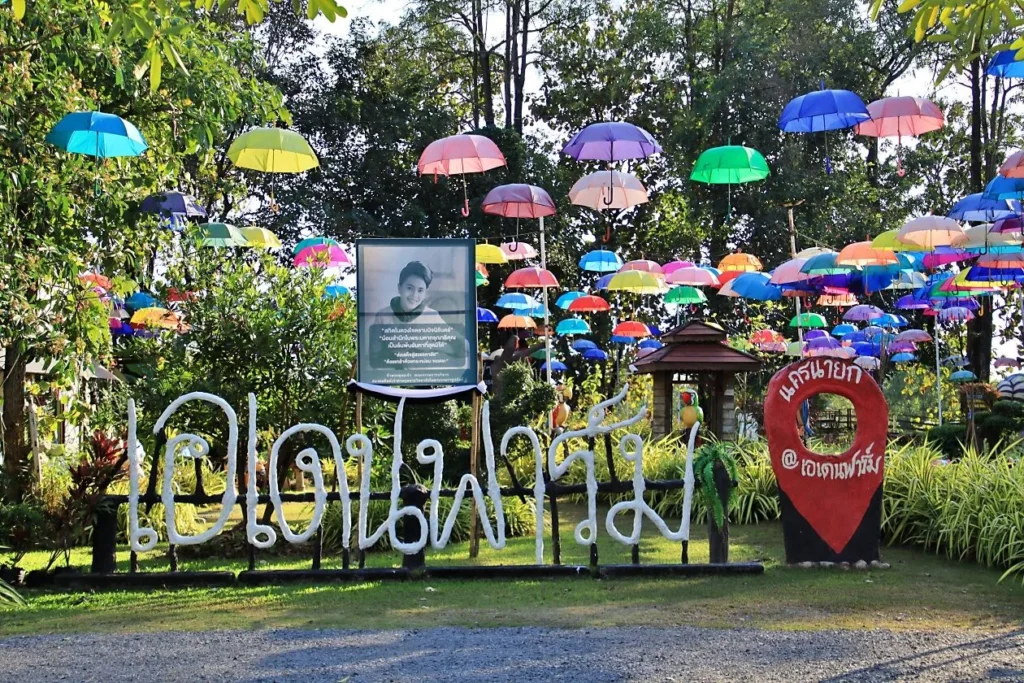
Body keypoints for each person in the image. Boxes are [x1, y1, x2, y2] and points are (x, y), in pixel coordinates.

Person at [372, 260, 447, 327]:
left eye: (420, 290)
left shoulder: (433, 317)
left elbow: (454, 339)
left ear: (425, 292)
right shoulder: (382, 316)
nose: (414, 295)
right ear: (399, 288)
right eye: (409, 288)